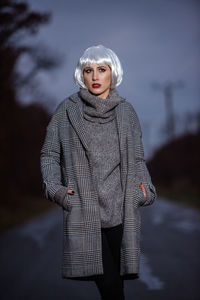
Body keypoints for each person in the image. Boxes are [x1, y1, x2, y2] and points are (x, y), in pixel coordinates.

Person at [40, 45, 156, 300]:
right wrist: (56, 190)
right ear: (81, 74)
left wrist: (144, 190)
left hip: (122, 210)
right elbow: (49, 155)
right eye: (88, 70)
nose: (94, 76)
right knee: (111, 288)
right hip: (84, 211)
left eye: (101, 70)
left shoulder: (127, 112)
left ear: (112, 74)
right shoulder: (66, 111)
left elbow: (138, 158)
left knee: (117, 288)